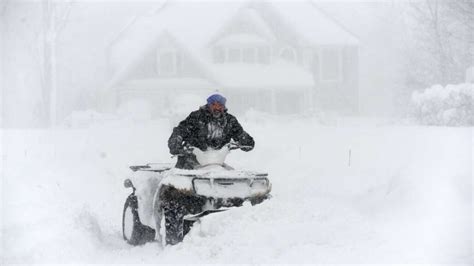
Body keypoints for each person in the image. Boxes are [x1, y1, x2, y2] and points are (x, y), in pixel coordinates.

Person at [168, 93, 254, 169]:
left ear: (223, 107)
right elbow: (180, 130)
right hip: (192, 159)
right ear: (209, 105)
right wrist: (176, 141)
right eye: (214, 105)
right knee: (181, 182)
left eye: (220, 105)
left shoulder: (229, 121)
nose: (217, 108)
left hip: (216, 160)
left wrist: (245, 140)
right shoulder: (196, 117)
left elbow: (239, 133)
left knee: (231, 174)